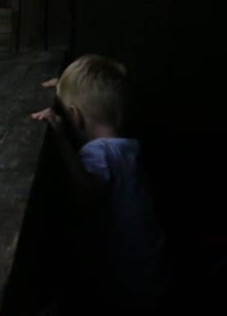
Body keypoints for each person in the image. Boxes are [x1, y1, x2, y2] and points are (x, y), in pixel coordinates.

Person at [31, 54, 171, 314]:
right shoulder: (128, 148)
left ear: (74, 116)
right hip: (152, 272)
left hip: (127, 287)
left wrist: (61, 140)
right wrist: (66, 88)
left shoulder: (100, 153)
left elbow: (87, 197)